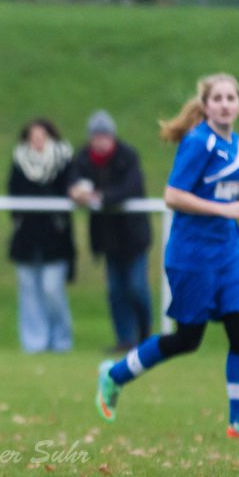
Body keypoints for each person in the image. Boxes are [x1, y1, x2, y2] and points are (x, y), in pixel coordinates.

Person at [95, 73, 239, 441]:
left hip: (228, 252)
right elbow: (174, 195)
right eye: (219, 98)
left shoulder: (235, 143)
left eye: (232, 97)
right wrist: (224, 210)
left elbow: (221, 180)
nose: (226, 104)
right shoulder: (198, 141)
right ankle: (114, 376)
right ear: (207, 106)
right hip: (193, 255)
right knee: (187, 340)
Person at [67, 110, 154, 353]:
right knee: (116, 291)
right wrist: (75, 192)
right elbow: (72, 180)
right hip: (108, 239)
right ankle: (125, 340)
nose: (101, 141)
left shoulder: (128, 156)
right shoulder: (83, 159)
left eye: (105, 136)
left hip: (133, 237)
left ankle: (145, 336)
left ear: (112, 137)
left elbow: (132, 187)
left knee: (137, 287)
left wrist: (100, 197)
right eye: (96, 136)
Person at [7, 118, 76, 353]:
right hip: (26, 238)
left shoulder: (63, 159)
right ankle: (34, 343)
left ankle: (61, 341)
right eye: (32, 136)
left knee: (51, 289)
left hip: (55, 239)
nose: (37, 140)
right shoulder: (19, 161)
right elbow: (13, 196)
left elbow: (70, 190)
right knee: (28, 292)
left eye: (41, 135)